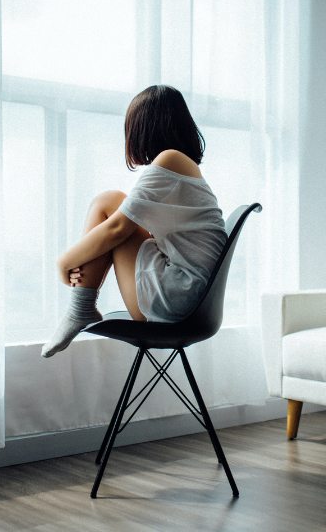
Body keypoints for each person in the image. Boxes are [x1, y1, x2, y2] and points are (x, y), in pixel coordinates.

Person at [41, 85, 227, 358]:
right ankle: (80, 308)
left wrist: (63, 262)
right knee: (113, 202)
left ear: (143, 128)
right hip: (190, 299)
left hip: (178, 301)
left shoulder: (171, 160)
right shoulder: (183, 166)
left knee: (108, 203)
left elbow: (118, 229)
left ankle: (80, 308)